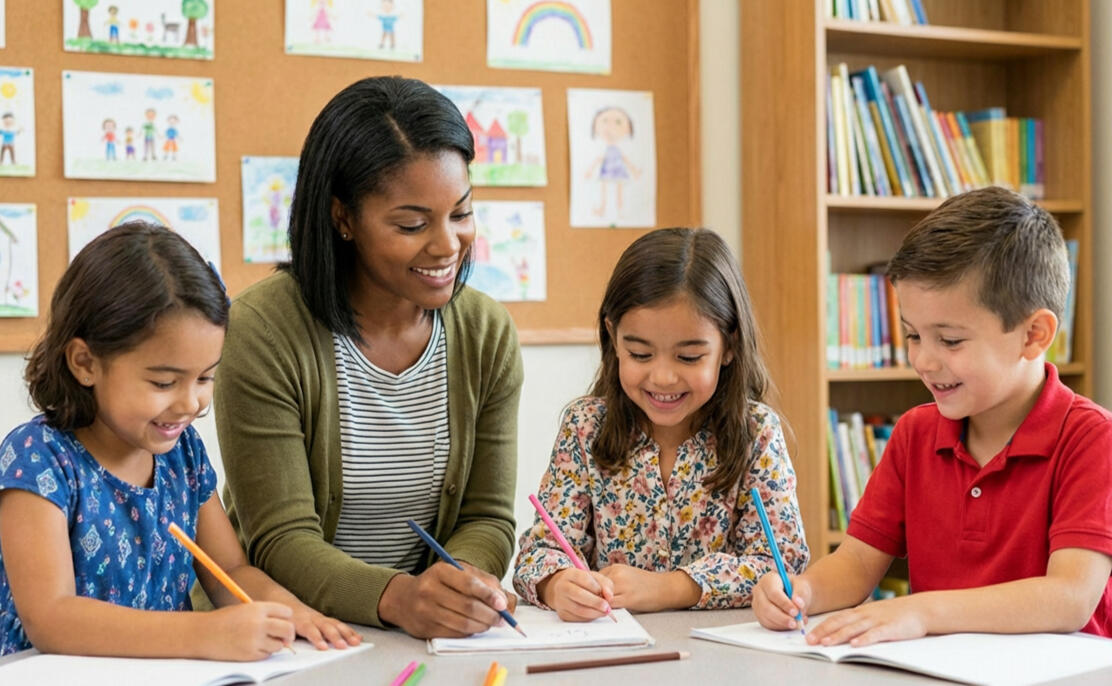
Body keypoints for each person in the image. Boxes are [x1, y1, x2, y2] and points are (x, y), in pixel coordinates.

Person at [214, 76, 524, 639]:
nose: (447, 245)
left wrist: (460, 586)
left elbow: (487, 515)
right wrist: (400, 598)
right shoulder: (263, 331)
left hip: (417, 637)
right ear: (343, 218)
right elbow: (281, 539)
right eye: (411, 224)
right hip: (287, 635)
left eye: (461, 213)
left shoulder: (487, 333)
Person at [753, 187, 1112, 644]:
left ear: (1033, 335)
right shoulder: (915, 433)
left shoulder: (1092, 439)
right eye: (913, 335)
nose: (923, 360)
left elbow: (1069, 597)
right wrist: (801, 592)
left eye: (950, 340)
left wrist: (921, 612)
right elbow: (857, 563)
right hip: (939, 671)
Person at [0, 222, 360, 659]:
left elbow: (230, 572)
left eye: (205, 377)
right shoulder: (38, 459)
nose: (191, 403)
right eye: (164, 382)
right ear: (85, 363)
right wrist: (205, 633)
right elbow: (52, 619)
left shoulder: (182, 454)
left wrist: (291, 613)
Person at [513, 228, 808, 621]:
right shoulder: (585, 427)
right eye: (640, 354)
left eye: (689, 357)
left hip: (722, 649)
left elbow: (782, 565)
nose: (663, 378)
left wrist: (668, 588)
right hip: (613, 645)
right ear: (613, 338)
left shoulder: (757, 433)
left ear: (730, 345)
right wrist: (557, 584)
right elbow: (537, 555)